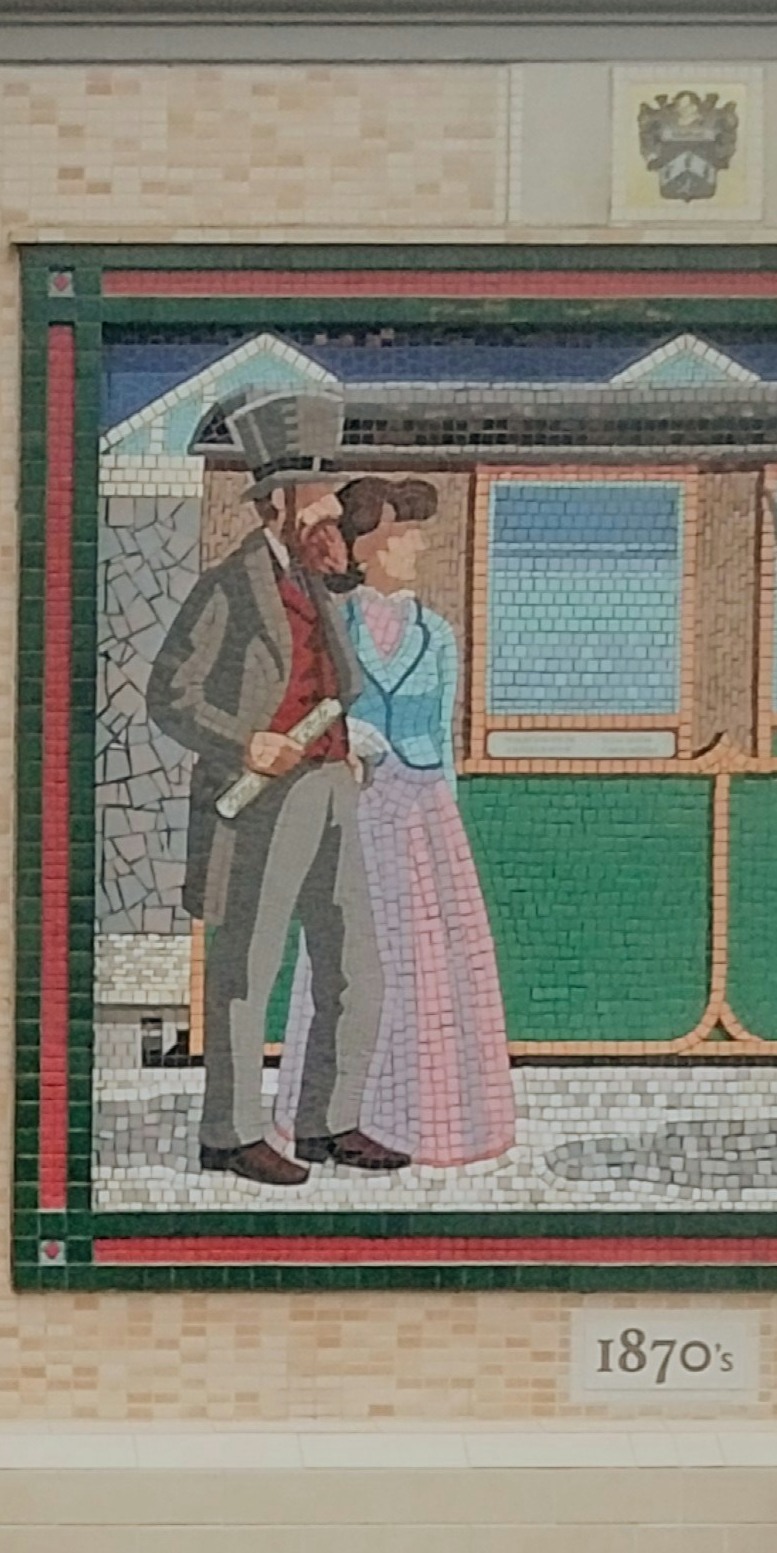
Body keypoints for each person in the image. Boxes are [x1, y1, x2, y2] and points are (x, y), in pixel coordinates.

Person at [147, 427, 391, 1184]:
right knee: (246, 970)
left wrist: (346, 748)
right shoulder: (229, 586)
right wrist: (245, 742)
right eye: (315, 501)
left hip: (329, 786)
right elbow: (170, 694)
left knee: (354, 963)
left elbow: (334, 682)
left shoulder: (317, 583)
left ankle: (329, 1121)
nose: (330, 513)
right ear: (274, 507)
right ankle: (231, 1134)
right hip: (256, 800)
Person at [317, 478, 516, 1170]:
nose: (418, 546)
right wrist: (350, 738)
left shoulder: (438, 634)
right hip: (359, 805)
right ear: (367, 547)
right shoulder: (334, 627)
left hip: (424, 807)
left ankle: (436, 1114)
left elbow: (443, 733)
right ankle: (344, 1111)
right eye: (403, 534)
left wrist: (445, 810)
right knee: (356, 956)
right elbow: (318, 712)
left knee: (434, 961)